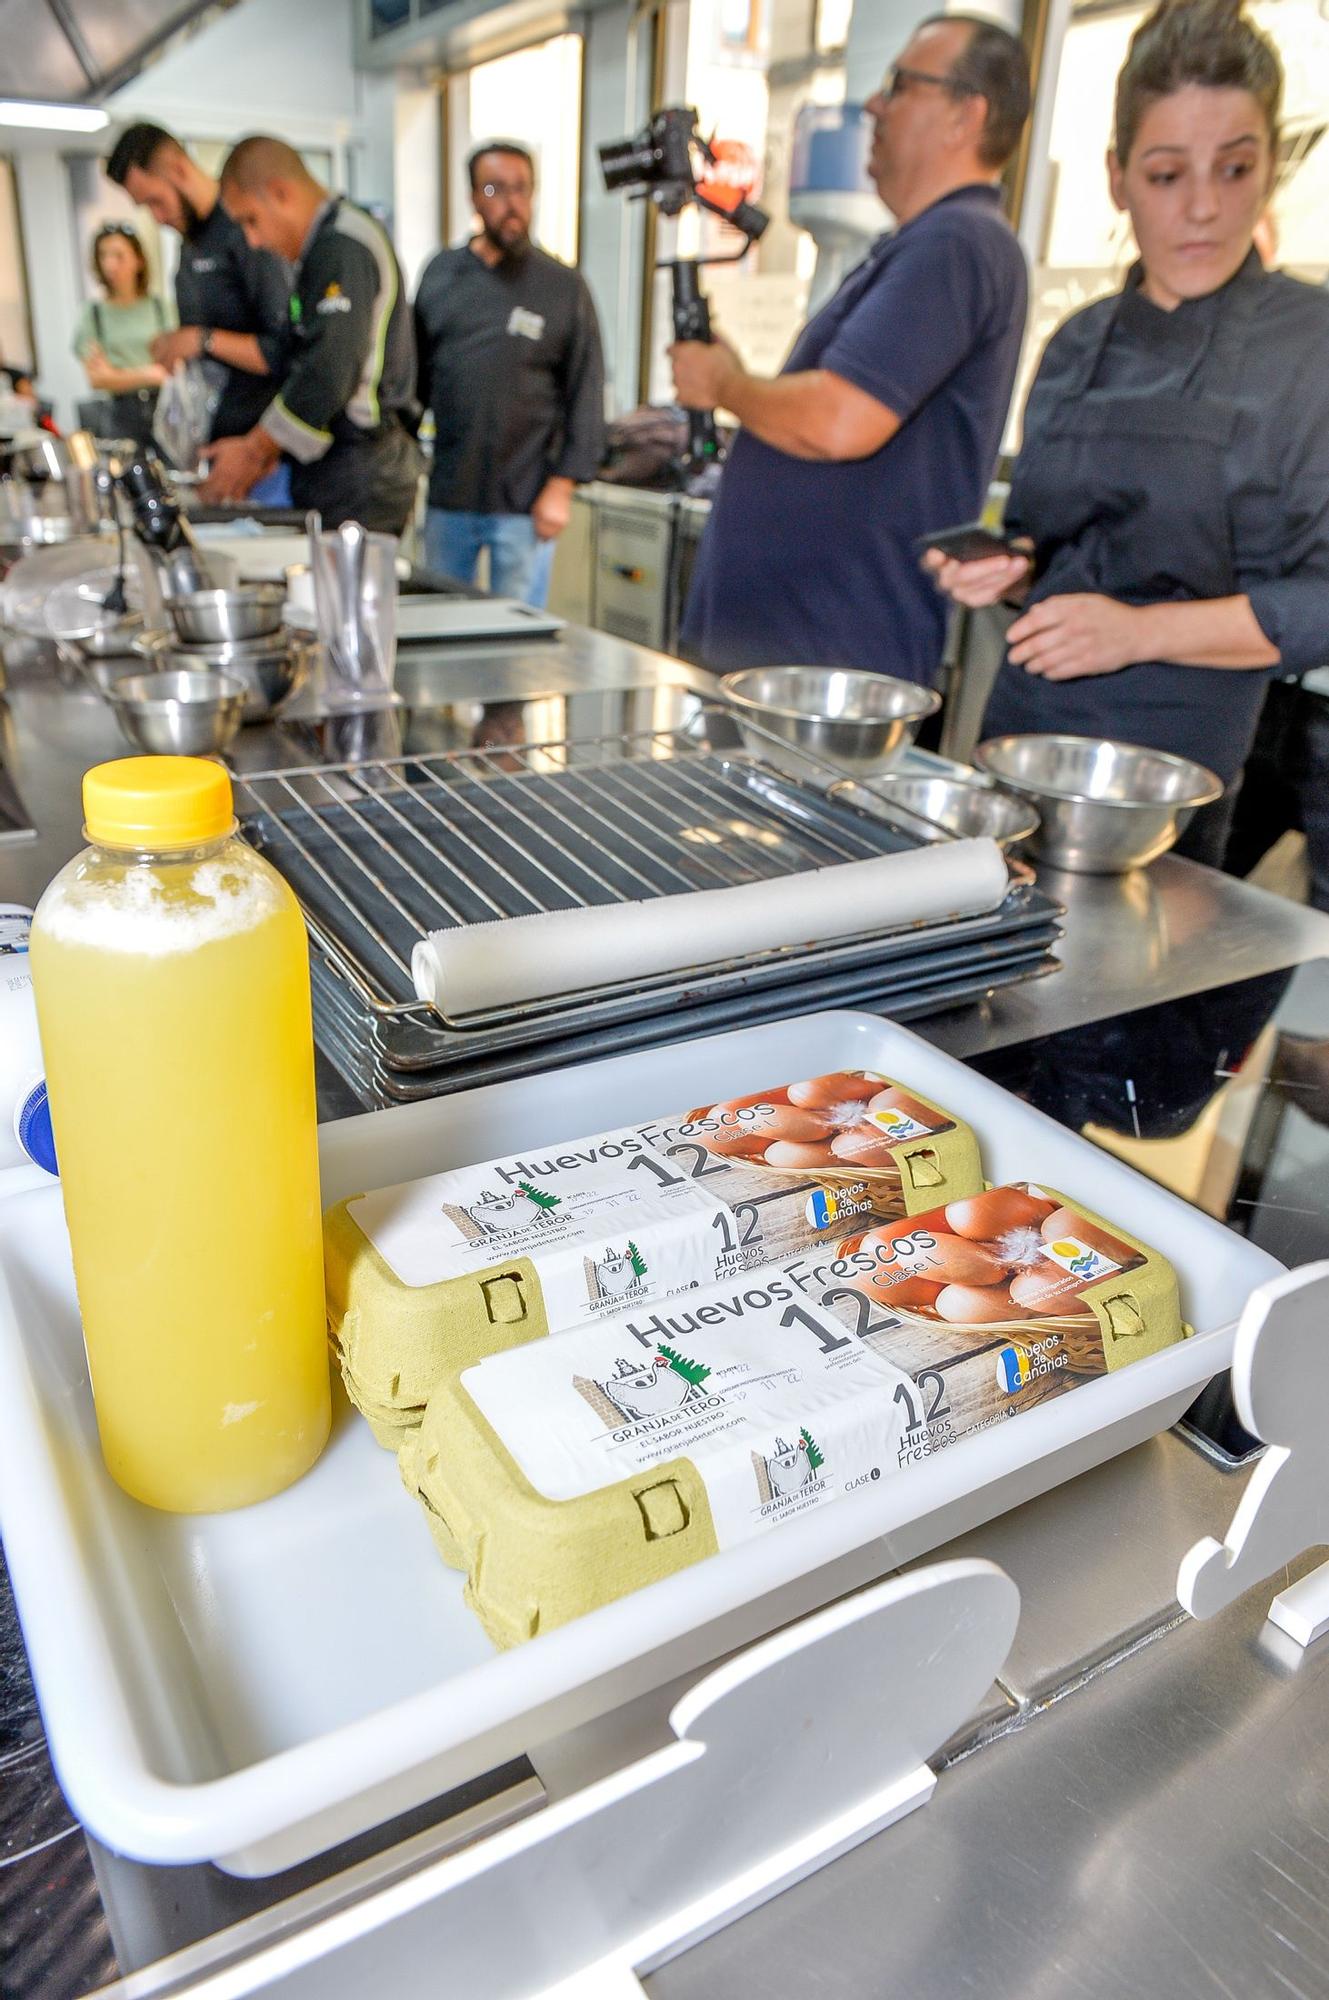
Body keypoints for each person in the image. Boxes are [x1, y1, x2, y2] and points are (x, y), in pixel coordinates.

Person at [925, 0, 1329, 867]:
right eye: (1164, 174)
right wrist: (1006, 568)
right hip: (1024, 733)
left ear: (1267, 171)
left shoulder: (1310, 344)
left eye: (1233, 169)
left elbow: (1320, 600)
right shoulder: (1078, 341)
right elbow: (1054, 549)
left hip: (1174, 775)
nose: (1201, 210)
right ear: (1115, 177)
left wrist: (1137, 631)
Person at [672, 14, 1031, 686]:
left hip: (826, 668)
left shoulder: (955, 244)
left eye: (899, 85)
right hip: (794, 660)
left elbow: (840, 420)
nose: (873, 103)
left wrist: (725, 385)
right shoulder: (920, 246)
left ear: (964, 116)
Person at [413, 142, 605, 606]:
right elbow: (413, 381)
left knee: (518, 644)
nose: (511, 204)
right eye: (496, 189)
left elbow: (587, 391)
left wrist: (560, 488)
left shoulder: (562, 286)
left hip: (525, 501)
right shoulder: (441, 275)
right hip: (449, 497)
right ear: (474, 198)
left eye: (521, 189)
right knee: (440, 622)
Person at [200, 137, 421, 535]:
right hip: (337, 469)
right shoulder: (322, 247)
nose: (254, 241)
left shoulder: (342, 246)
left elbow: (328, 370)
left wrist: (253, 451)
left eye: (251, 220)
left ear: (280, 193)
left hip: (364, 472)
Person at [105, 122, 291, 502]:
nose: (156, 218)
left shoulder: (245, 230)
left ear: (179, 170)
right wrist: (175, 346)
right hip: (216, 456)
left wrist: (200, 340)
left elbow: (281, 351)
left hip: (265, 459)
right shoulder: (189, 246)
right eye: (146, 208)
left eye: (156, 201)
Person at [72, 222, 172, 449]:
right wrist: (148, 372)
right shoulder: (94, 314)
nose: (110, 264)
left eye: (118, 256)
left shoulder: (160, 308)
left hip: (164, 409)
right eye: (103, 256)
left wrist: (118, 373)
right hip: (121, 415)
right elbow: (98, 378)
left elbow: (173, 369)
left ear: (138, 260)